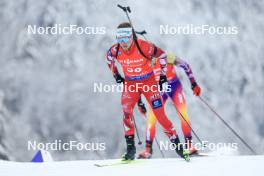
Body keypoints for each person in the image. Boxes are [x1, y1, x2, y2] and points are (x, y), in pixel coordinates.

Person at [106, 22, 190, 161]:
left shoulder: (144, 46)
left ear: (132, 36)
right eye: (120, 39)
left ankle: (179, 148)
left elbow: (163, 55)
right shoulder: (114, 50)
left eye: (126, 38)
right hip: (131, 84)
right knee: (127, 113)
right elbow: (109, 60)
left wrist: (163, 76)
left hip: (148, 83)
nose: (124, 42)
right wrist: (116, 75)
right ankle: (131, 150)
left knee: (160, 115)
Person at [138, 52, 201, 159]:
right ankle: (148, 150)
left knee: (183, 115)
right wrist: (140, 103)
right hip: (159, 92)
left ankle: (189, 145)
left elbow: (185, 65)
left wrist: (193, 83)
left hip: (175, 89)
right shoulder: (142, 64)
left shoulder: (167, 57)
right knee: (151, 119)